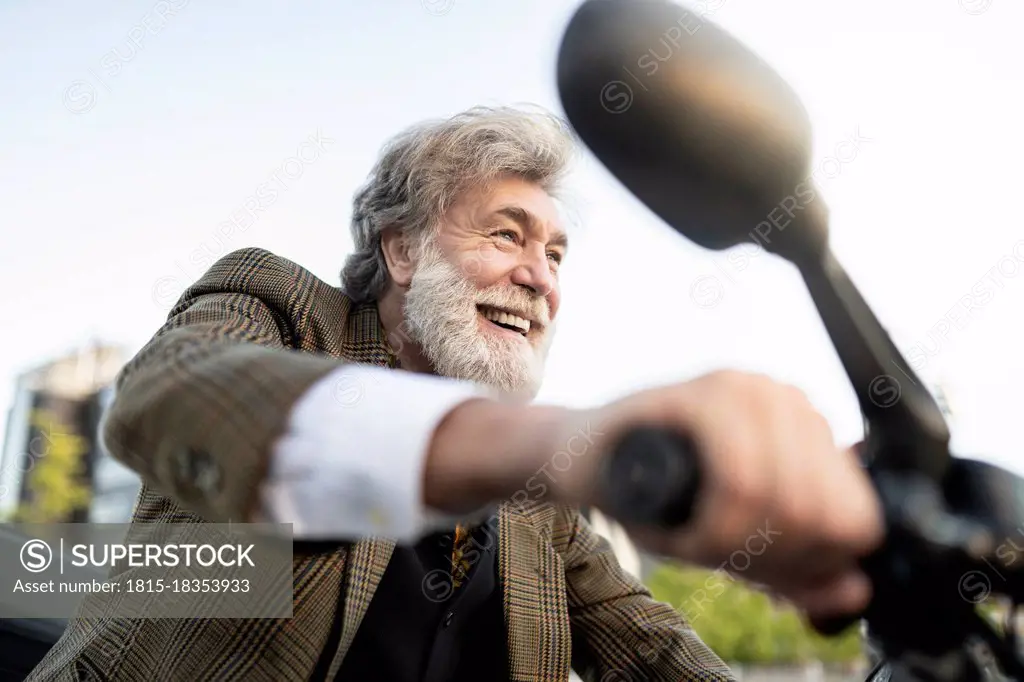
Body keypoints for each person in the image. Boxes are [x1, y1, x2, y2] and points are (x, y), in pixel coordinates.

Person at [28, 105, 883, 682]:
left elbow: (650, 646)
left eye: (555, 255)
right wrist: (547, 442)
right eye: (507, 235)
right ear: (401, 253)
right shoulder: (279, 305)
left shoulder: (541, 504)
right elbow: (168, 397)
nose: (537, 277)